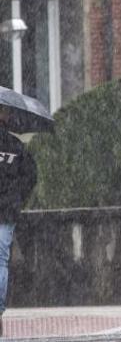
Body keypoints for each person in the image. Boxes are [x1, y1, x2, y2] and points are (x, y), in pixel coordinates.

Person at [0, 107, 37, 337]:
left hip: (6, 210)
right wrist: (15, 198)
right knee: (1, 260)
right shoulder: (16, 147)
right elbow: (31, 176)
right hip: (6, 212)